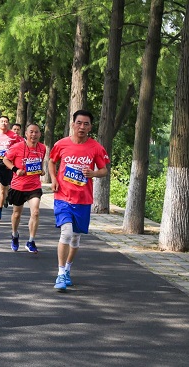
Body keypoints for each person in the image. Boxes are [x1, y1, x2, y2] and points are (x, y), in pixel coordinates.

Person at [48, 109, 109, 291]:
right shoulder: (61, 144)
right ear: (73, 124)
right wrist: (54, 179)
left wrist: (93, 173)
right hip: (63, 197)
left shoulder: (95, 147)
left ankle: (67, 269)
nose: (82, 127)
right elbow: (52, 161)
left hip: (83, 199)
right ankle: (60, 273)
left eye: (86, 124)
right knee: (66, 233)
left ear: (90, 127)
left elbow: (104, 170)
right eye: (79, 123)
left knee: (75, 238)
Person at [3, 123, 46, 253]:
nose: (34, 134)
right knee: (17, 214)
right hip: (19, 185)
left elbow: (39, 163)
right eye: (31, 132)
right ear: (26, 134)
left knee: (36, 212)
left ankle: (31, 241)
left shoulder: (42, 148)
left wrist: (41, 171)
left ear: (40, 134)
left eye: (36, 132)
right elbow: (6, 160)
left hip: (34, 186)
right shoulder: (17, 147)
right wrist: (15, 169)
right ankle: (14, 235)